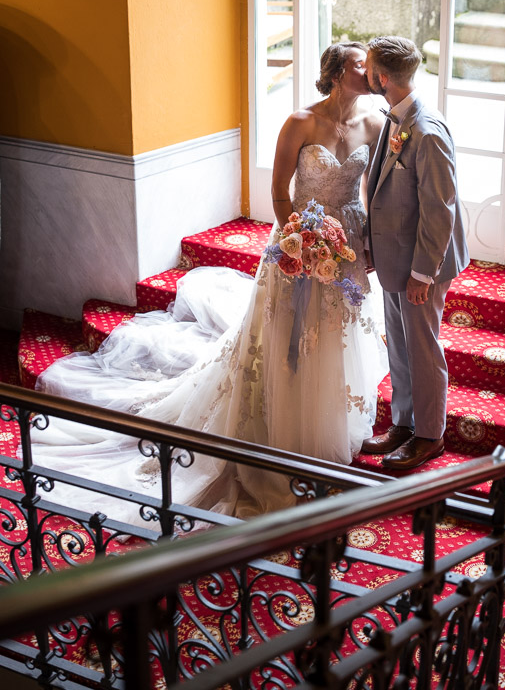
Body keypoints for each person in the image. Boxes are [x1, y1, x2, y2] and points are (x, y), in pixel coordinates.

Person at [31, 43, 387, 522]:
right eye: (360, 63)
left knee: (333, 334)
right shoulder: (300, 122)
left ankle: (323, 427)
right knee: (287, 337)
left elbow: (373, 192)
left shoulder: (376, 121)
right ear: (337, 71)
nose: (369, 70)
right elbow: (280, 192)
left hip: (346, 243)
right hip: (298, 245)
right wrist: (301, 239)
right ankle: (278, 433)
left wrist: (365, 247)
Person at [362, 36, 469, 470]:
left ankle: (429, 434)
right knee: (400, 346)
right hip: (394, 257)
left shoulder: (426, 131)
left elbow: (439, 210)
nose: (365, 73)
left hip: (422, 262)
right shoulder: (396, 116)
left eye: (368, 68)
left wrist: (423, 274)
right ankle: (404, 423)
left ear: (382, 77)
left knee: (422, 347)